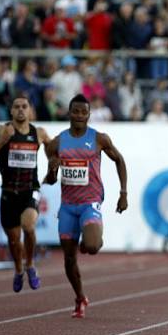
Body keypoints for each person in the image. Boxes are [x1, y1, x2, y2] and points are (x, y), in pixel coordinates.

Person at [43, 94, 128, 318]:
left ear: (89, 114)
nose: (80, 115)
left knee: (91, 246)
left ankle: (87, 240)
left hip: (90, 202)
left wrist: (123, 192)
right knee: (69, 259)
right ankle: (80, 297)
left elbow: (119, 159)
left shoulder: (99, 138)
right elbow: (50, 179)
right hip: (68, 205)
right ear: (69, 113)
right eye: (76, 111)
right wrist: (52, 170)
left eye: (84, 112)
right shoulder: (57, 143)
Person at [0, 96, 52, 292]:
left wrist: (52, 167)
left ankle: (30, 265)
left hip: (30, 190)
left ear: (29, 110)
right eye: (16, 107)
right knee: (14, 240)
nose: (20, 110)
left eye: (24, 106)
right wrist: (3, 140)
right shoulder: (2, 130)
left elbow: (52, 148)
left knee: (29, 226)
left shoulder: (38, 133)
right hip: (8, 192)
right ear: (11, 111)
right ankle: (19, 269)